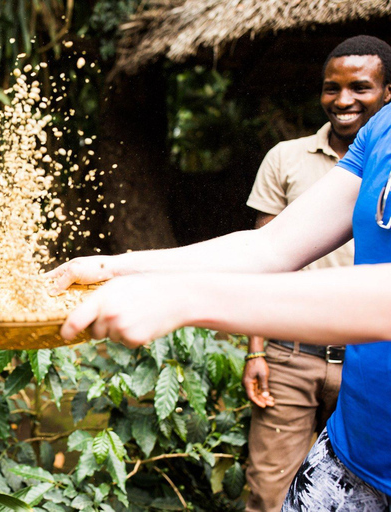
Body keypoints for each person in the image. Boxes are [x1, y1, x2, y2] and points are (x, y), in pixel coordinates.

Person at [48, 46, 391, 511]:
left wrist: (186, 298)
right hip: (352, 453)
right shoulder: (381, 131)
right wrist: (113, 267)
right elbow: (271, 247)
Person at [242, 35, 391, 512]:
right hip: (296, 358)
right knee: (270, 490)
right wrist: (255, 350)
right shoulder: (289, 158)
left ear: (387, 91)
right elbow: (266, 257)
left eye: (361, 87)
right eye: (332, 88)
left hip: (363, 358)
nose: (343, 100)